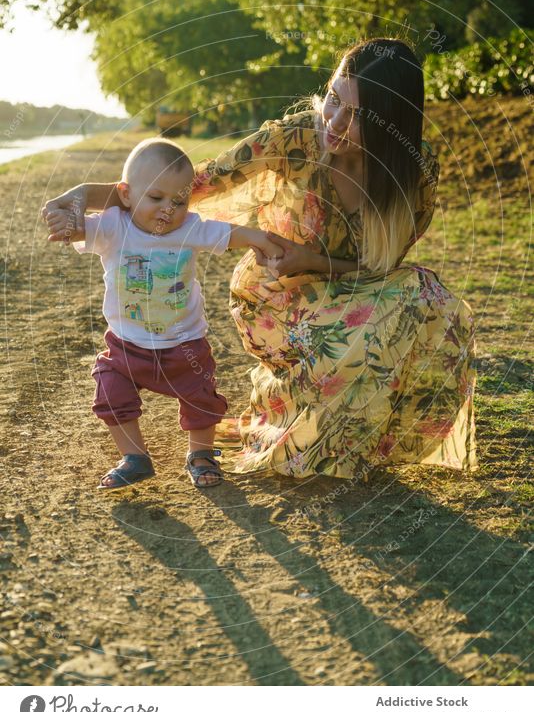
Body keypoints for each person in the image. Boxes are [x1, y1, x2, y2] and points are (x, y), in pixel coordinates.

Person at [43, 38, 477, 481]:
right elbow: (192, 184)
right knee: (358, 336)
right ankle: (309, 426)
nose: (336, 122)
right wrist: (85, 194)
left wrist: (314, 258)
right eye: (333, 100)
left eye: (358, 116)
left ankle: (358, 430)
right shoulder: (294, 138)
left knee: (426, 300)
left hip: (352, 284)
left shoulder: (413, 169)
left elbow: (382, 267)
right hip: (278, 290)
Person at [45, 137, 283, 489]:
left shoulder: (190, 229)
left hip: (183, 343)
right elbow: (81, 229)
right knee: (110, 390)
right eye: (155, 198)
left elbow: (227, 233)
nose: (168, 209)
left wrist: (260, 239)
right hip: (127, 344)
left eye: (179, 201)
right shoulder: (114, 226)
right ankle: (134, 457)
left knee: (201, 397)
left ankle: (200, 454)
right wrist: (65, 223)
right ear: (126, 195)